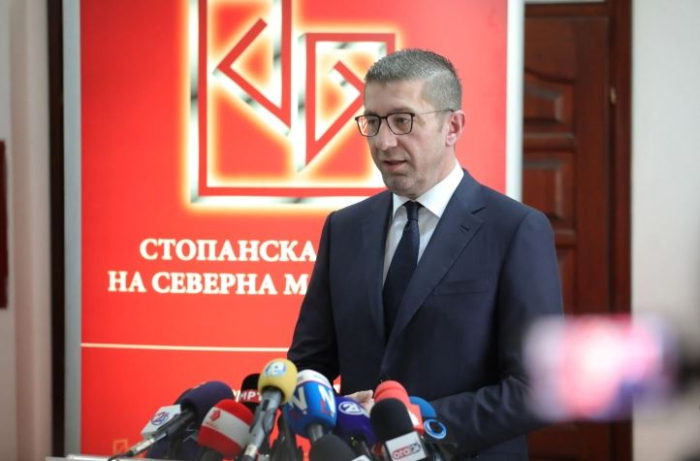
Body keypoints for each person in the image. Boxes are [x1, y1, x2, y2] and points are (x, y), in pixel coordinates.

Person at [288, 49, 562, 460]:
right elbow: (309, 364)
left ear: (453, 126)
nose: (383, 142)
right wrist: (326, 408)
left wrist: (417, 421)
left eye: (403, 120)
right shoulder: (343, 229)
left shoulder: (515, 229)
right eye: (373, 122)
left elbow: (539, 388)